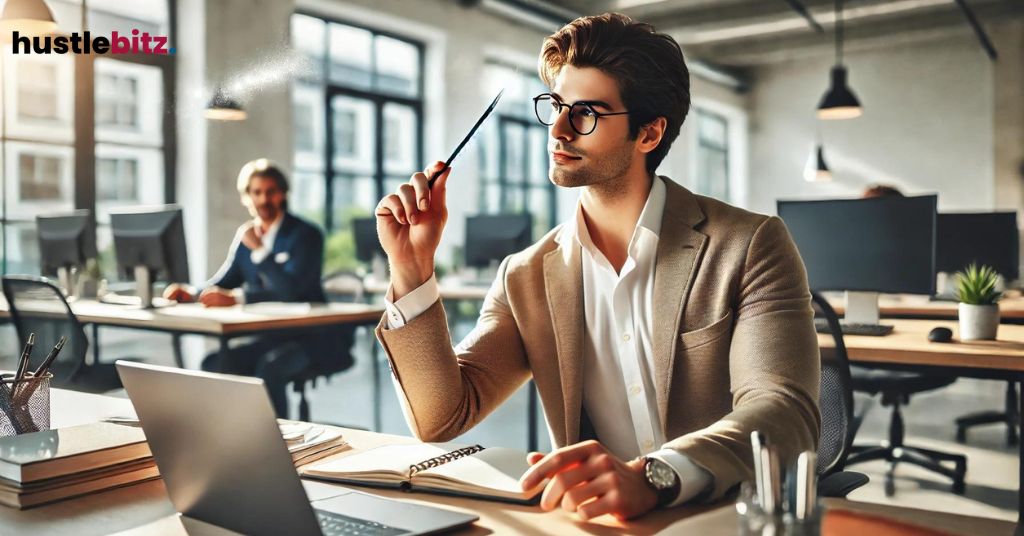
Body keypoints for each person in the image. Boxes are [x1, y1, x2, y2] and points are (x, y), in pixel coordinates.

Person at [374, 13, 819, 521]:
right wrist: (411, 270)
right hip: (602, 525)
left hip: (725, 516)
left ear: (648, 134)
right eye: (557, 106)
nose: (559, 129)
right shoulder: (525, 274)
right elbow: (441, 417)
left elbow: (786, 413)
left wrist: (656, 473)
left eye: (585, 114)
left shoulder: (749, 245)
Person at [164, 159, 354, 417]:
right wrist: (193, 293)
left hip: (313, 339)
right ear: (247, 197)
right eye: (256, 192)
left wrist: (259, 254)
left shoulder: (306, 235)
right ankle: (236, 431)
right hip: (271, 336)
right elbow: (225, 281)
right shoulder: (247, 237)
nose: (264, 199)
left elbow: (291, 291)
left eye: (271, 191)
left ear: (283, 194)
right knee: (213, 363)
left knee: (271, 368)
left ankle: (281, 441)